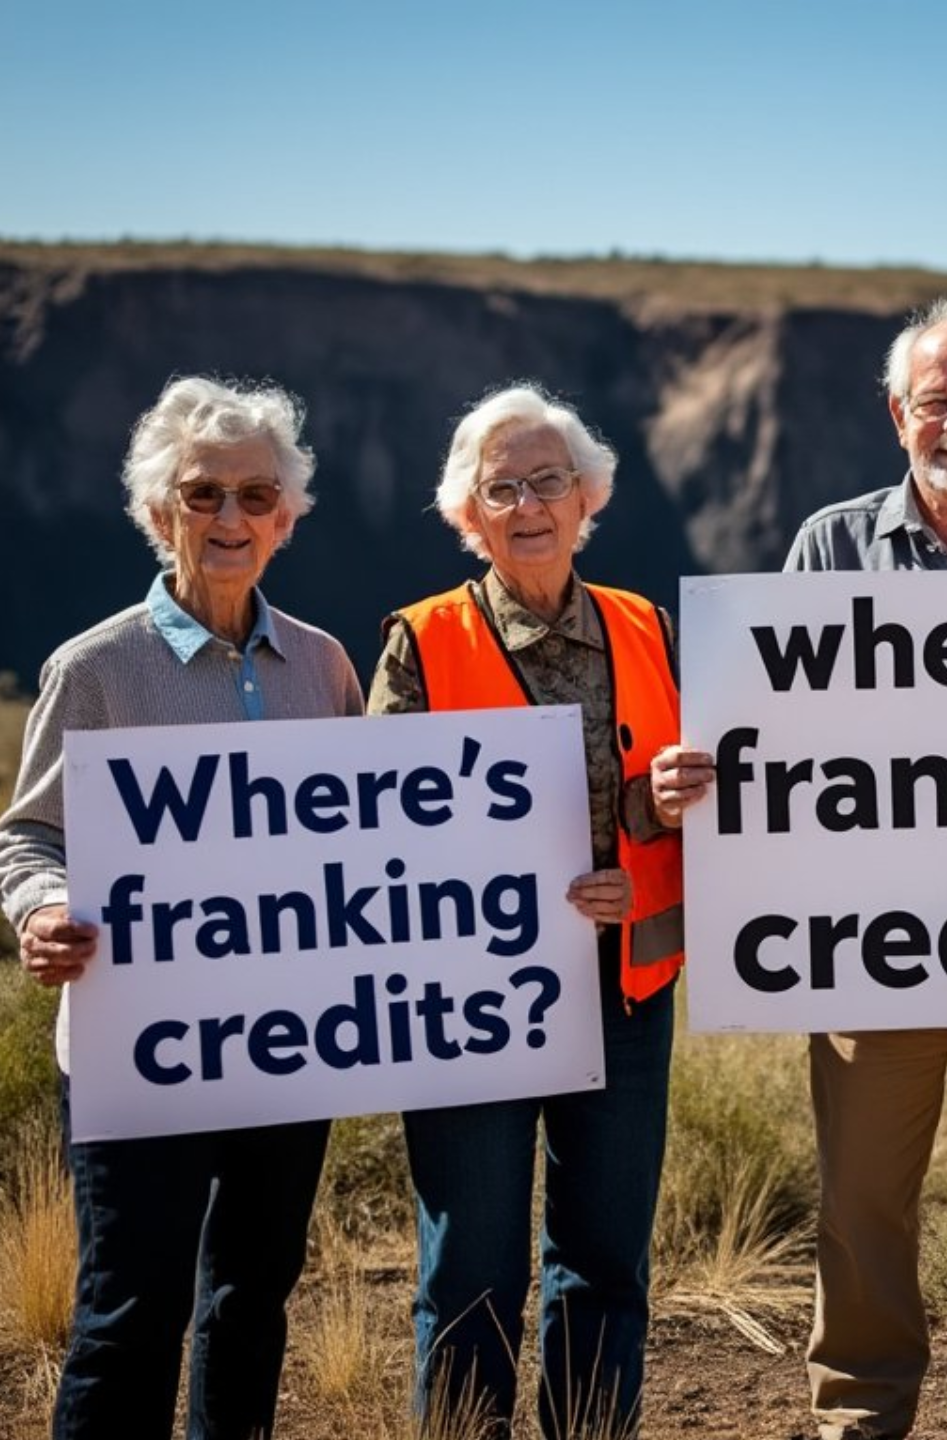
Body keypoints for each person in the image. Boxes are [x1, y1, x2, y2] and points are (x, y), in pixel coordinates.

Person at [658, 292, 947, 1440]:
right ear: (896, 415)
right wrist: (709, 768)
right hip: (871, 938)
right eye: (934, 402)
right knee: (864, 1200)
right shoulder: (830, 545)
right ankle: (860, 1413)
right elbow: (776, 720)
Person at [0, 377, 362, 1439]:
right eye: (204, 495)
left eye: (256, 495)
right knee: (129, 1313)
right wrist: (44, 909)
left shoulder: (324, 667)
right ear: (161, 513)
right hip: (138, 1049)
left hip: (287, 1044)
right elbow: (25, 837)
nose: (231, 517)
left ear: (286, 519)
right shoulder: (95, 669)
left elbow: (367, 838)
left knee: (252, 1298)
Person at [370, 383, 686, 1438]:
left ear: (587, 495)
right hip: (474, 1003)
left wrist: (652, 834)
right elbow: (380, 834)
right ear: (469, 514)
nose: (528, 505)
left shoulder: (649, 628)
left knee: (605, 1263)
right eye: (500, 489)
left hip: (624, 990)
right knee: (471, 1267)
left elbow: (678, 806)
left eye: (548, 480)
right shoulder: (422, 643)